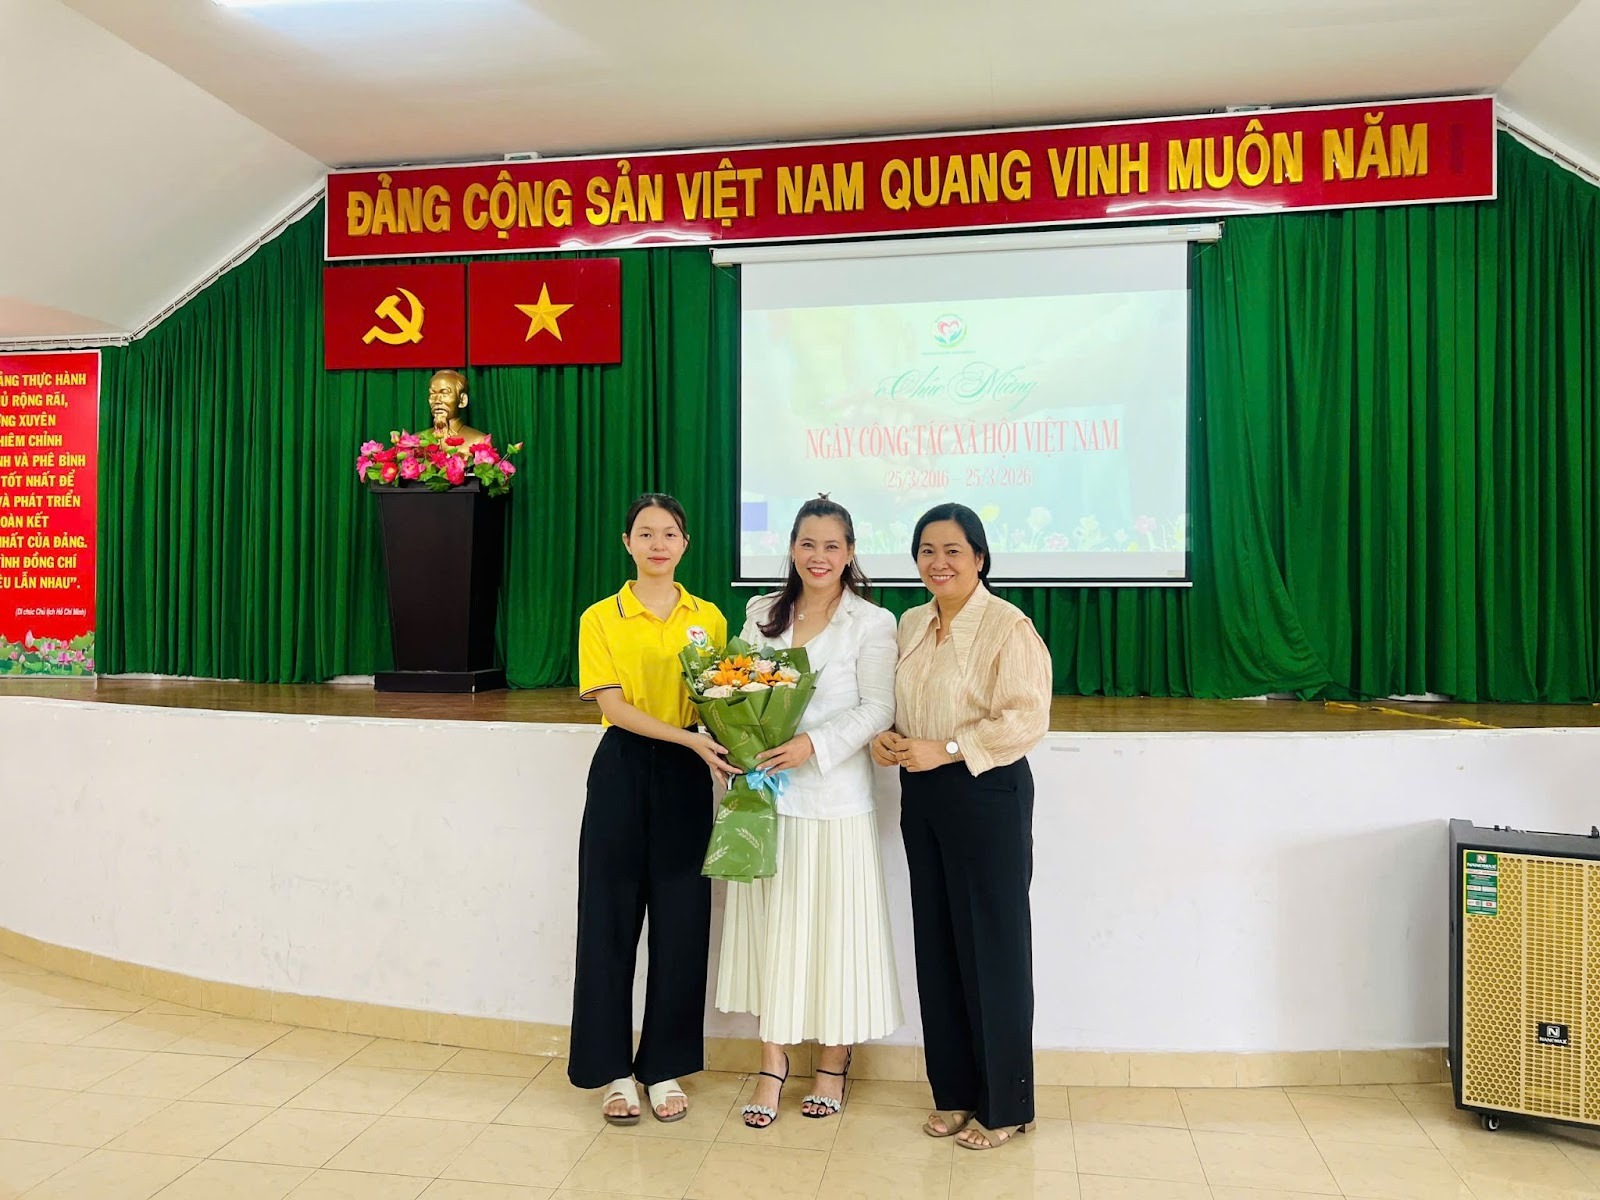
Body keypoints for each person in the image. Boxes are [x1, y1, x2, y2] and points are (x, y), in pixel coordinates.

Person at [871, 502, 1052, 1152]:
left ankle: (1006, 1106)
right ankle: (953, 1094)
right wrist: (887, 738)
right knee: (940, 944)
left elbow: (1027, 718)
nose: (938, 562)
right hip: (922, 793)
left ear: (979, 557)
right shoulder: (912, 623)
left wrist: (946, 749)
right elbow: (902, 705)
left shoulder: (1008, 625)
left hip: (986, 791)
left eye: (952, 550)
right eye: (927, 550)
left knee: (993, 948)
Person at [716, 496, 902, 1128]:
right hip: (768, 801)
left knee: (832, 936)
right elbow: (732, 688)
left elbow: (878, 707)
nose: (818, 557)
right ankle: (772, 1064)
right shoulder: (761, 613)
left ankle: (832, 1063)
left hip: (835, 801)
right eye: (807, 544)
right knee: (774, 934)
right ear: (792, 549)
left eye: (831, 546)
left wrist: (811, 746)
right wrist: (735, 742)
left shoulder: (872, 622)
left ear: (850, 553)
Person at [569, 493, 734, 1125]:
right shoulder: (601, 617)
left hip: (689, 775)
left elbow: (721, 695)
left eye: (669, 533)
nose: (658, 543)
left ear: (685, 544)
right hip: (624, 767)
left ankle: (663, 1067)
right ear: (627, 543)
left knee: (681, 922)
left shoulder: (709, 618)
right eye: (645, 533)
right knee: (608, 920)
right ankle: (612, 1071)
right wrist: (689, 740)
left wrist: (726, 743)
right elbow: (612, 707)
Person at [424, 369, 489, 447]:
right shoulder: (417, 441)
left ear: (462, 400)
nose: (437, 400)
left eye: (445, 393)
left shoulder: (478, 441)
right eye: (432, 394)